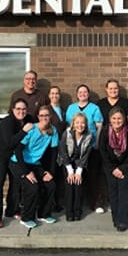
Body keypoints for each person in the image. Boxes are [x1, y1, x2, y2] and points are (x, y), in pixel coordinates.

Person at [9, 105, 59, 229]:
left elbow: (54, 154)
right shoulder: (31, 129)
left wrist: (50, 172)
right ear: (38, 117)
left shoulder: (53, 131)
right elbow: (18, 151)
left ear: (50, 116)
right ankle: (27, 218)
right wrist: (26, 172)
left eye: (47, 115)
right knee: (32, 187)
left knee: (51, 185)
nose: (44, 118)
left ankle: (44, 214)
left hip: (35, 164)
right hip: (18, 163)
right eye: (42, 115)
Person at [0, 98, 33, 229]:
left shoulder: (28, 118)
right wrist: (24, 131)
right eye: (18, 109)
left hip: (13, 156)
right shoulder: (8, 121)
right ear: (13, 110)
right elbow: (10, 142)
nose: (21, 111)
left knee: (16, 182)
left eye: (24, 109)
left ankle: (12, 210)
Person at [65, 84, 104, 213]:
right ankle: (78, 204)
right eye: (80, 92)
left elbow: (99, 126)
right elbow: (69, 127)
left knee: (93, 176)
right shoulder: (71, 108)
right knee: (77, 177)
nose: (83, 94)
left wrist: (97, 143)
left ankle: (96, 203)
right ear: (77, 94)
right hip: (76, 150)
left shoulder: (94, 108)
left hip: (91, 147)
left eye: (85, 91)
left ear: (88, 94)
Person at [99, 106, 128, 232]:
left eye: (119, 118)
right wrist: (113, 169)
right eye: (114, 118)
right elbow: (103, 151)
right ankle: (115, 218)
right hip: (110, 167)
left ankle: (123, 220)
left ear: (124, 119)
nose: (117, 121)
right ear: (110, 119)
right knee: (113, 193)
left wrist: (121, 169)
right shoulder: (105, 131)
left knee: (124, 192)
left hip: (125, 167)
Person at [57, 113, 93, 221]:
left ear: (86, 124)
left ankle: (77, 211)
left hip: (80, 163)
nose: (80, 125)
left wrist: (79, 171)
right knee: (69, 184)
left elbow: (86, 154)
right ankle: (69, 212)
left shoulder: (89, 136)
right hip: (66, 162)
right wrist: (70, 170)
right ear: (73, 123)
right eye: (77, 122)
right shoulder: (66, 133)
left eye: (82, 123)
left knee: (78, 184)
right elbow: (63, 151)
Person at [47, 85, 67, 212]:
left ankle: (57, 202)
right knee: (51, 174)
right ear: (49, 96)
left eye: (57, 93)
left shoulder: (63, 110)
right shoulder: (46, 110)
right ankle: (51, 203)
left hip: (62, 148)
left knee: (60, 176)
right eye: (52, 93)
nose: (55, 96)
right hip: (50, 148)